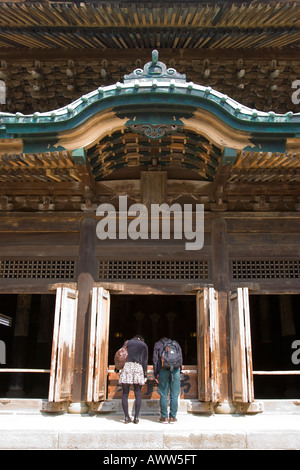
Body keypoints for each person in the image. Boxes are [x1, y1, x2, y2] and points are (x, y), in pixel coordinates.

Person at [118, 334, 148, 424]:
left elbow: (121, 355)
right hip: (138, 367)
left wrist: (118, 367)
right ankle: (136, 417)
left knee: (125, 393)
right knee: (138, 393)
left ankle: (127, 417)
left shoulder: (127, 343)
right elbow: (145, 361)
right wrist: (145, 375)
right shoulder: (143, 345)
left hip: (127, 367)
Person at [153, 337, 183, 423]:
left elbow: (155, 360)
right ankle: (173, 417)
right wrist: (179, 371)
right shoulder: (175, 344)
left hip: (163, 370)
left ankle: (164, 417)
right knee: (174, 394)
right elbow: (180, 359)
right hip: (175, 370)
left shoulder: (158, 345)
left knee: (163, 394)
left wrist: (156, 374)